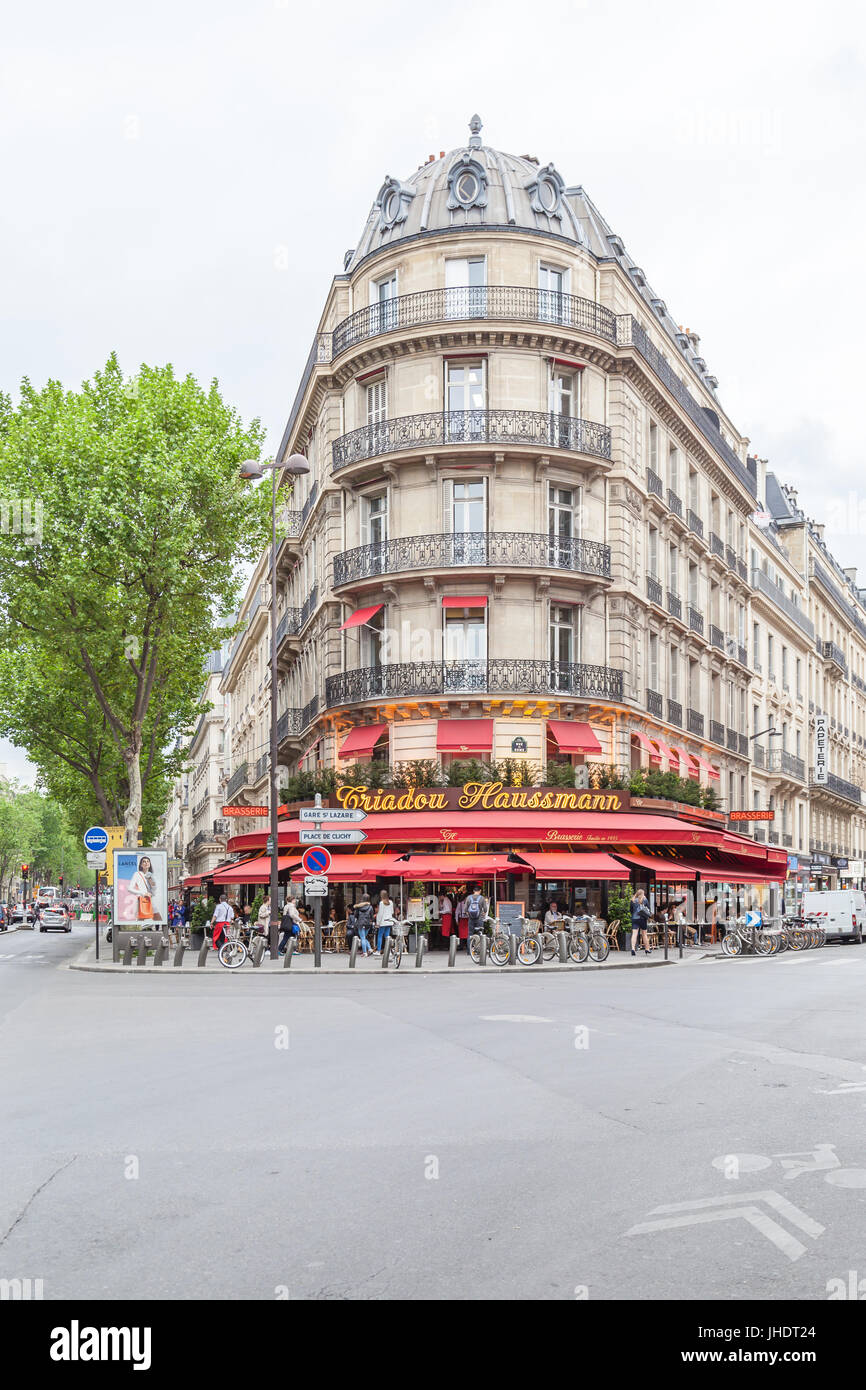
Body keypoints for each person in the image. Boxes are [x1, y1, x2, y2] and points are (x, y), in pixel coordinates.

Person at [464, 885, 487, 951]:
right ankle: (479, 950)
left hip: (471, 919)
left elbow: (465, 909)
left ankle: (469, 951)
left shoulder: (468, 898)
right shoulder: (482, 898)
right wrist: (484, 913)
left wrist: (469, 914)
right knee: (480, 933)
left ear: (473, 891)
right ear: (480, 891)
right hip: (479, 918)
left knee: (470, 934)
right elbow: (485, 908)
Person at [630, 888, 652, 956]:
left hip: (634, 918)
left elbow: (631, 910)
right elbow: (648, 909)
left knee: (634, 934)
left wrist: (634, 914)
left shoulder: (633, 900)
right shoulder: (645, 900)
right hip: (642, 919)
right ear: (643, 894)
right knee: (644, 934)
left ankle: (633, 949)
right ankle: (647, 949)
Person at [375, 890, 395, 955]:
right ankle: (388, 951)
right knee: (387, 936)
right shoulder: (391, 902)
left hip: (383, 922)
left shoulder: (381, 903)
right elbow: (392, 912)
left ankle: (378, 950)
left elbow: (380, 914)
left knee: (380, 936)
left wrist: (378, 923)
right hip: (389, 921)